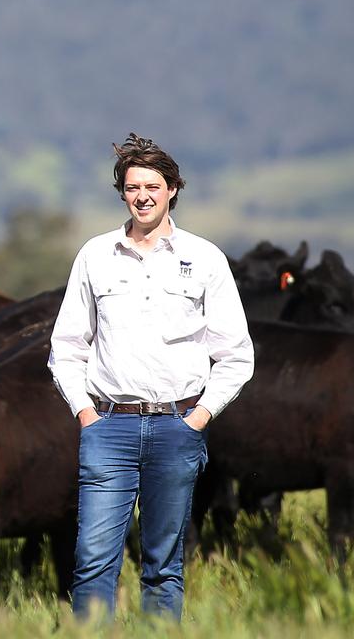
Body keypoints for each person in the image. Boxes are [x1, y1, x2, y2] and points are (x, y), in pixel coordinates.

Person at [48, 133, 253, 621]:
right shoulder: (95, 256)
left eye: (153, 186)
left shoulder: (205, 259)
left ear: (173, 190)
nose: (142, 196)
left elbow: (236, 355)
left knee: (163, 566)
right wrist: (86, 415)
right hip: (108, 429)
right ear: (122, 192)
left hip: (177, 427)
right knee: (93, 561)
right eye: (133, 186)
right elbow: (66, 346)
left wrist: (199, 419)